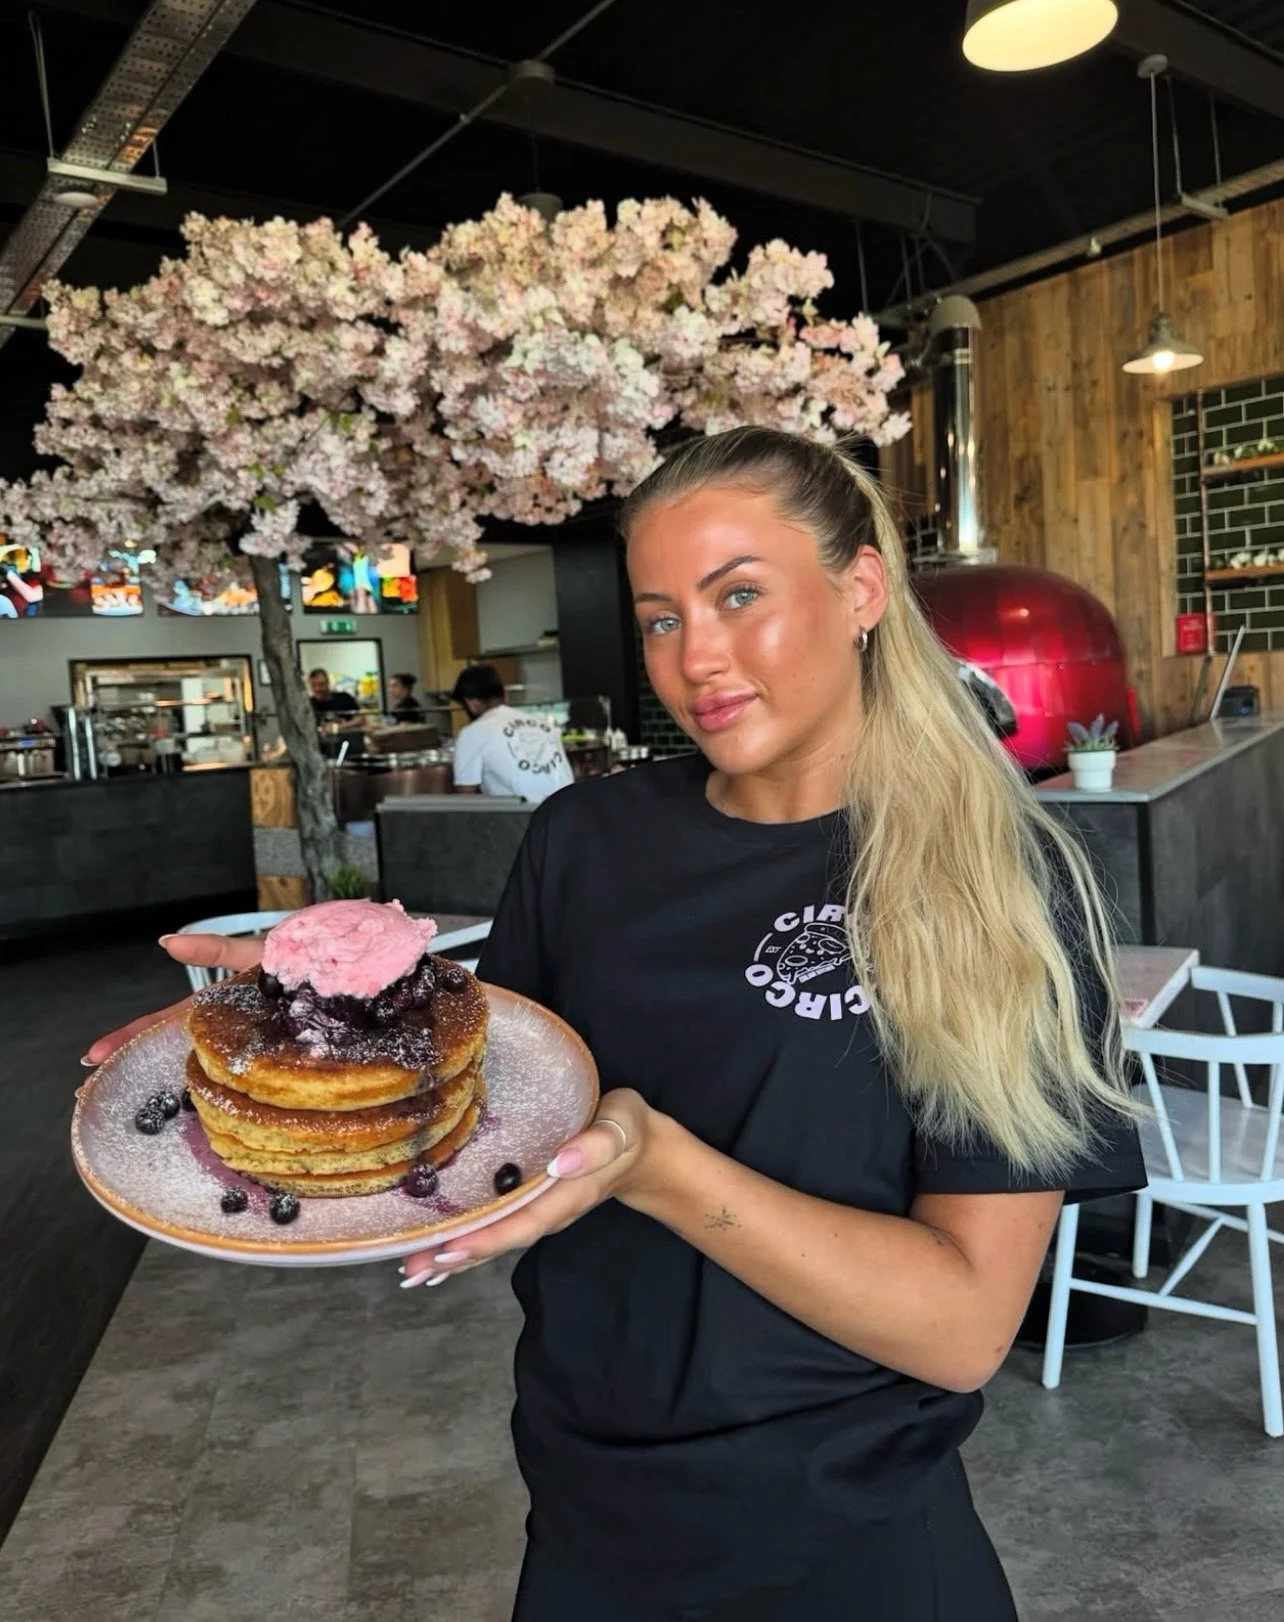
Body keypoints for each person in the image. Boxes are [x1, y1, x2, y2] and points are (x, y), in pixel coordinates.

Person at [87, 428, 1145, 1622]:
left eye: (738, 595)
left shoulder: (1001, 883)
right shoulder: (585, 839)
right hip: (587, 1501)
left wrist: (661, 1168)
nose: (696, 657)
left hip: (849, 1536)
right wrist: (316, 1012)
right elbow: (491, 1105)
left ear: (860, 588)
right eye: (659, 618)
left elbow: (962, 1327)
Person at [450, 663, 574, 803]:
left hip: (525, 814)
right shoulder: (543, 723)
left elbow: (465, 799)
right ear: (504, 694)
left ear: (472, 704)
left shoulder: (472, 733)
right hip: (571, 808)